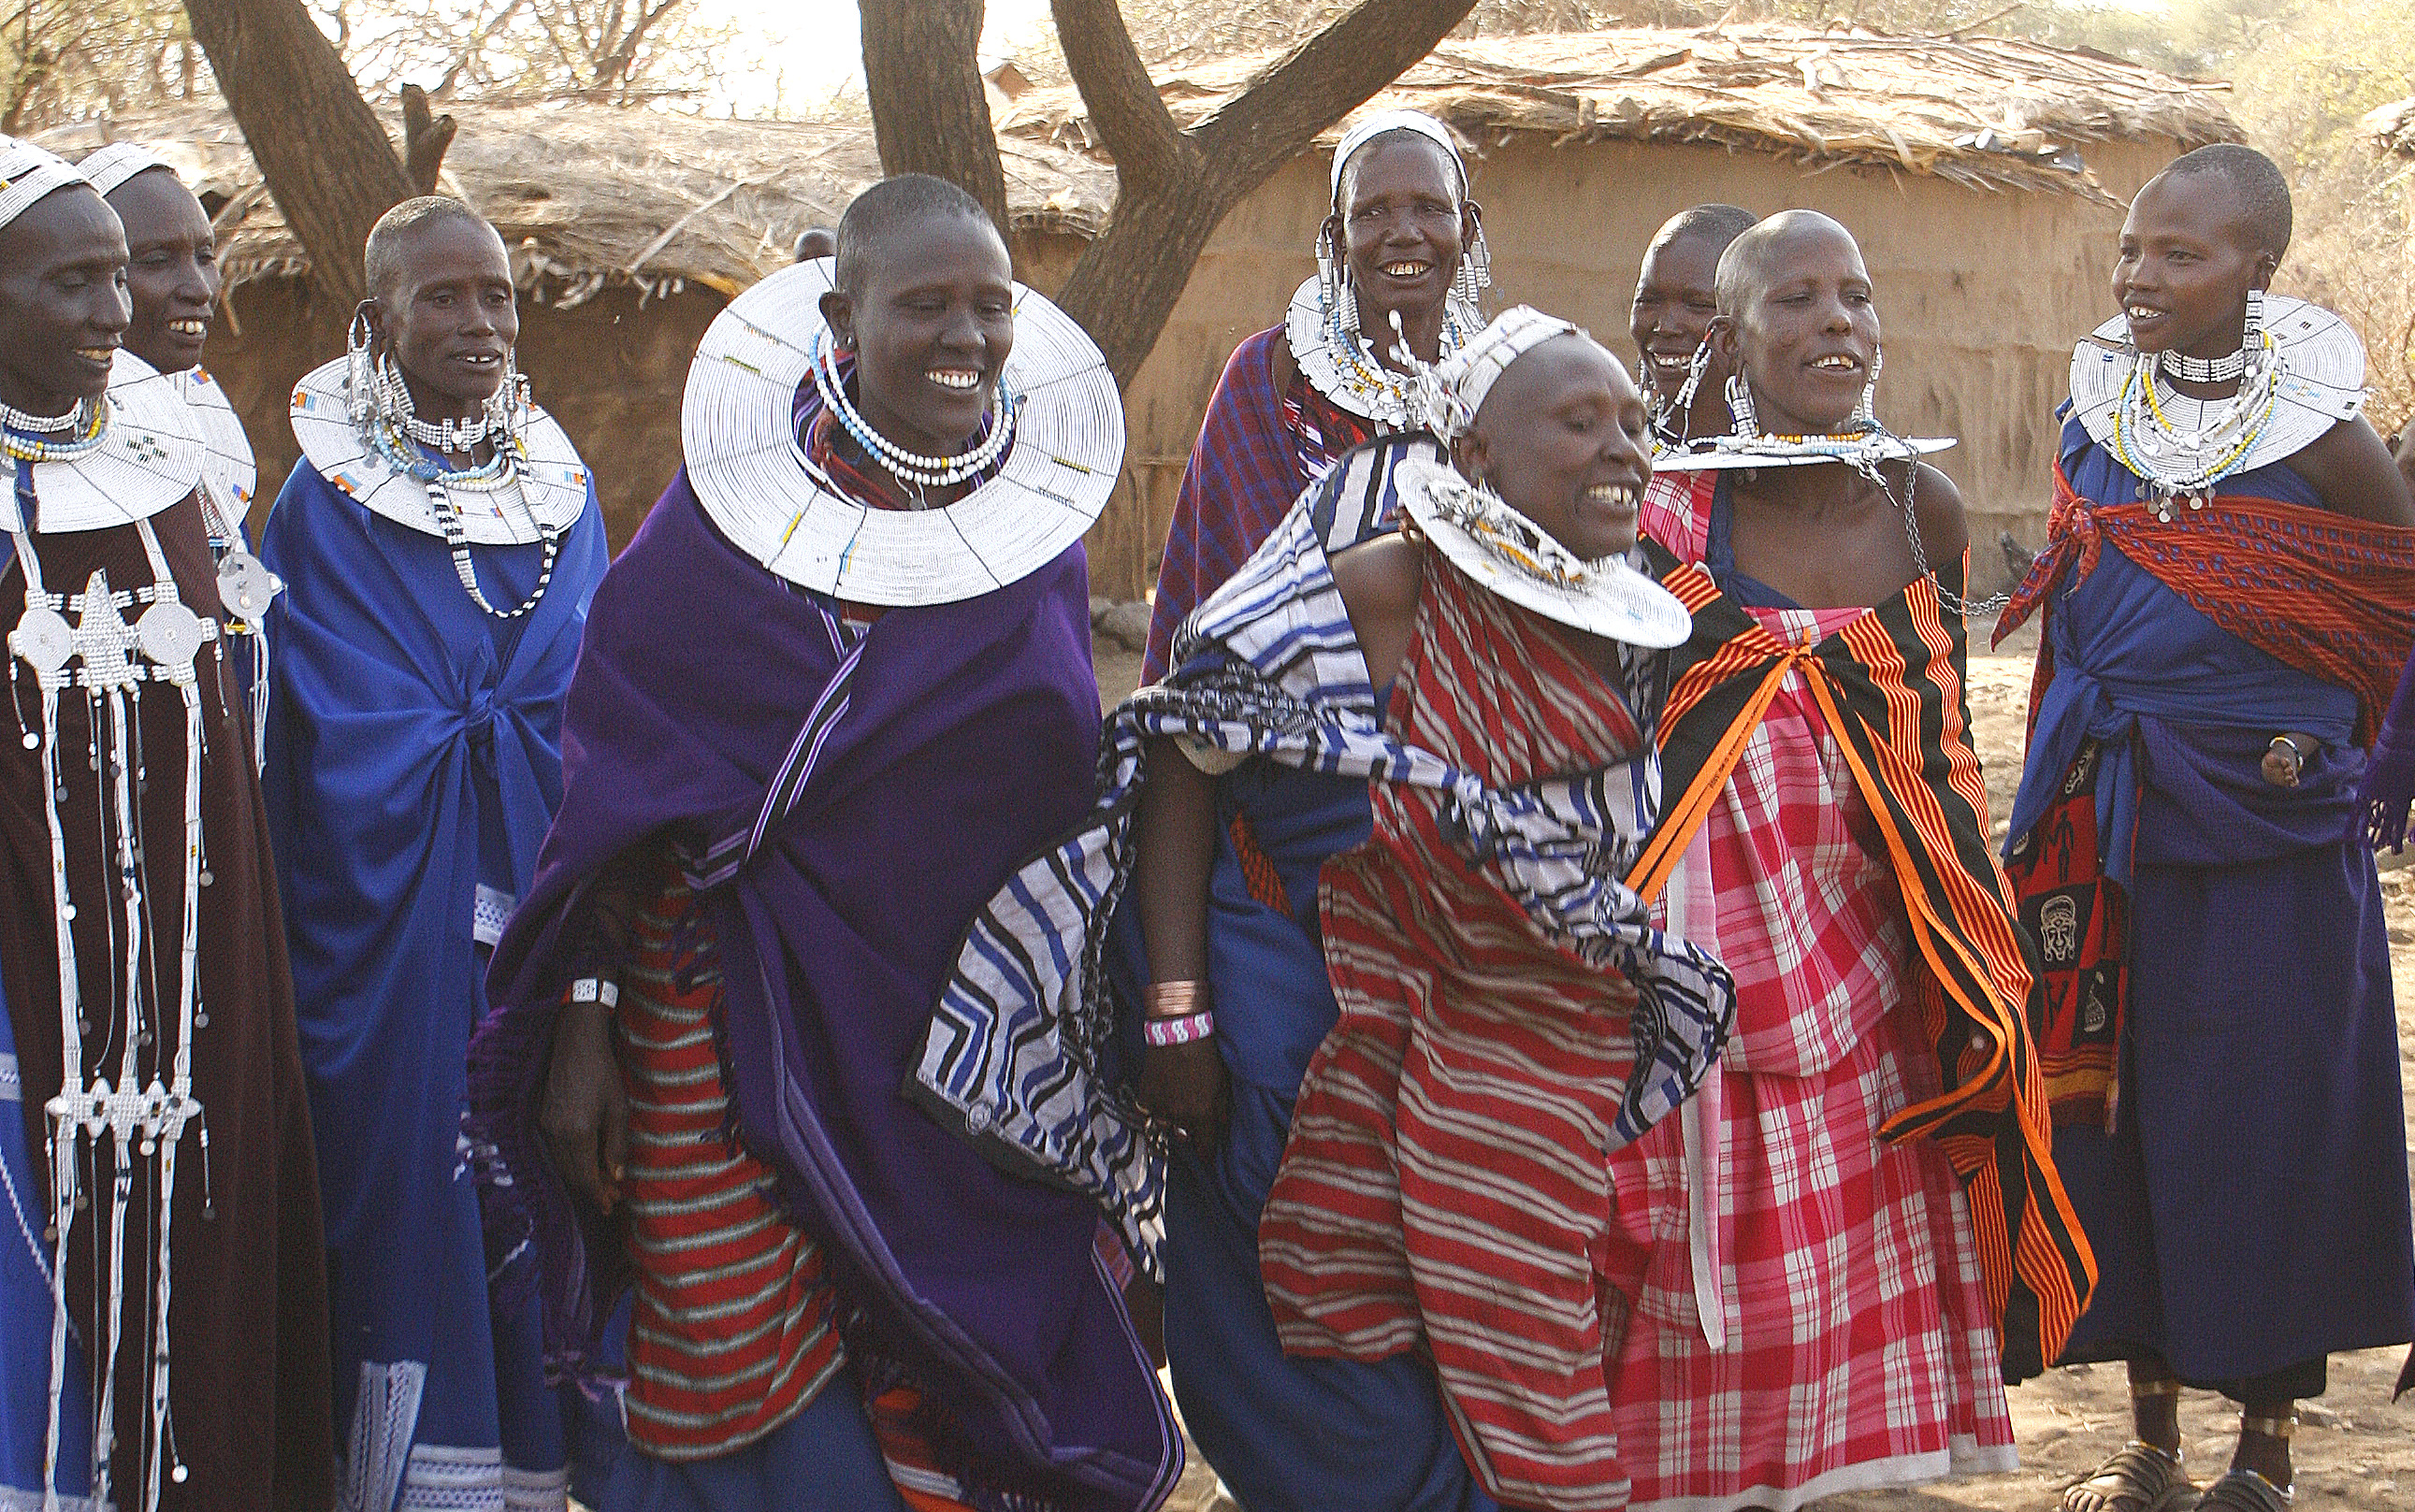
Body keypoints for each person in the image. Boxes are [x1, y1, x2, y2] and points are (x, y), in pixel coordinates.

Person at [917, 309, 1729, 1512]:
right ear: (1475, 462)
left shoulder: (1621, 615)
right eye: (1577, 422)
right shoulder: (1375, 588)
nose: (1620, 448)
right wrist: (1181, 1012)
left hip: (1494, 1055)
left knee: (1494, 1326)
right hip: (1296, 1033)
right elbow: (1179, 749)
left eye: (1628, 422)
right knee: (1324, 1374)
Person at [464, 174, 1178, 1512]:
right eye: (924, 305)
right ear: (841, 317)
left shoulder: (1034, 535)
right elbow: (616, 804)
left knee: (949, 1374)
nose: (963, 335)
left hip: (963, 1067)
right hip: (727, 1038)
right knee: (731, 1361)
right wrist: (583, 1020)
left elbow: (1042, 806)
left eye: (990, 303)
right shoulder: (719, 532)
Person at [1601, 209, 2095, 1512]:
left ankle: (1821, 1473)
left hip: (1872, 947)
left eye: (1855, 296)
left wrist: (1965, 928)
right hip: (1696, 955)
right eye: (1794, 301)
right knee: (1711, 1253)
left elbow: (1933, 737)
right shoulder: (1659, 512)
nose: (1834, 321)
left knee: (1839, 1249)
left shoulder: (1915, 503)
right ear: (1728, 336)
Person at [1995, 144, 2415, 1512]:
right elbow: (2075, 600)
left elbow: (2386, 608)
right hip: (2105, 822)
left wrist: (2346, 760)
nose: (2141, 277)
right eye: (2131, 250)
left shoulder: (2326, 437)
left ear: (2258, 270)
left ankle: (2266, 1452)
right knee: (2116, 1113)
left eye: (2180, 255)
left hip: (2271, 828)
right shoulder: (2091, 414)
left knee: (2264, 1114)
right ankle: (2150, 1438)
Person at [0, 134, 334, 1511]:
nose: (112, 311)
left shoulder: (163, 461)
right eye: (72, 282)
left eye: (113, 278)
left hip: (197, 972)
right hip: (29, 994)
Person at [261, 195, 610, 1510]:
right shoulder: (320, 504)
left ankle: (529, 1476)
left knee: (538, 1198)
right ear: (376, 319)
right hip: (382, 941)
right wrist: (447, 748)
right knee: (405, 1195)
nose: (477, 322)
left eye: (498, 295)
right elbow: (310, 723)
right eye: (442, 297)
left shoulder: (560, 489)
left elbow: (598, 700)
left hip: (536, 924)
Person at [1141, 108, 1491, 680]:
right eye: (1372, 212)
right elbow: (1229, 584)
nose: (1404, 232)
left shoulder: (1505, 387)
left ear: (1468, 229)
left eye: (1431, 208)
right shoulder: (1267, 380)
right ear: (1336, 236)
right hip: (1288, 721)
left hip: (1460, 713)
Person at [77, 142, 277, 756]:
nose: (199, 287)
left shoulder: (202, 428)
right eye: (157, 260)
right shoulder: (33, 466)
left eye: (207, 257)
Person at [1628, 204, 1756, 451]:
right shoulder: (1613, 446)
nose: (1665, 327)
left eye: (1697, 304)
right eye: (1648, 300)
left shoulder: (1793, 457)